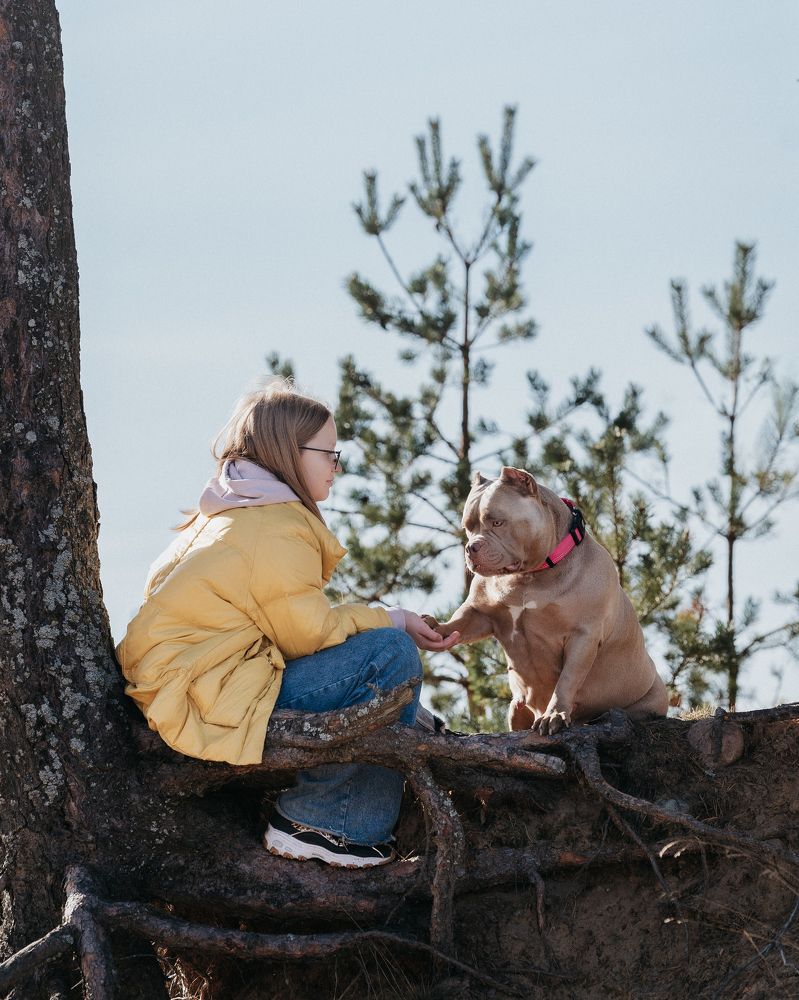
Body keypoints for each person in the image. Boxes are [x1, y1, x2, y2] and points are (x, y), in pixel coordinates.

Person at [116, 379, 459, 868]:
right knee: (390, 654)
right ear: (289, 452)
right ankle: (327, 824)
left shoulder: (232, 512)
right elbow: (310, 636)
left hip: (187, 687)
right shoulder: (275, 525)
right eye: (329, 453)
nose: (337, 466)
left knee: (385, 659)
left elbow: (283, 629)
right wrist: (395, 619)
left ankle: (409, 723)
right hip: (206, 694)